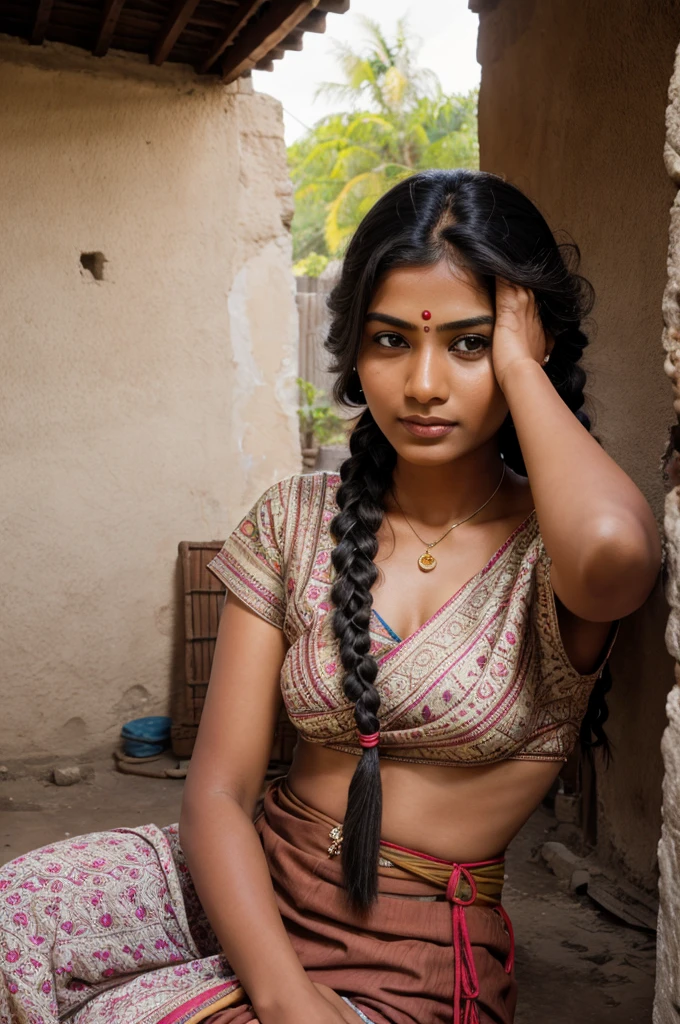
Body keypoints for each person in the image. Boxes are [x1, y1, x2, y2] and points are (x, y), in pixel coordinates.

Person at [0, 169, 661, 1024]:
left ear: (526, 346)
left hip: (413, 947)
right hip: (248, 879)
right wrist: (281, 996)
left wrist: (525, 373)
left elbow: (619, 555)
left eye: (467, 343)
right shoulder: (295, 521)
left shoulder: (554, 554)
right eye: (392, 340)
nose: (424, 383)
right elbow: (219, 794)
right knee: (15, 912)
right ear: (353, 349)